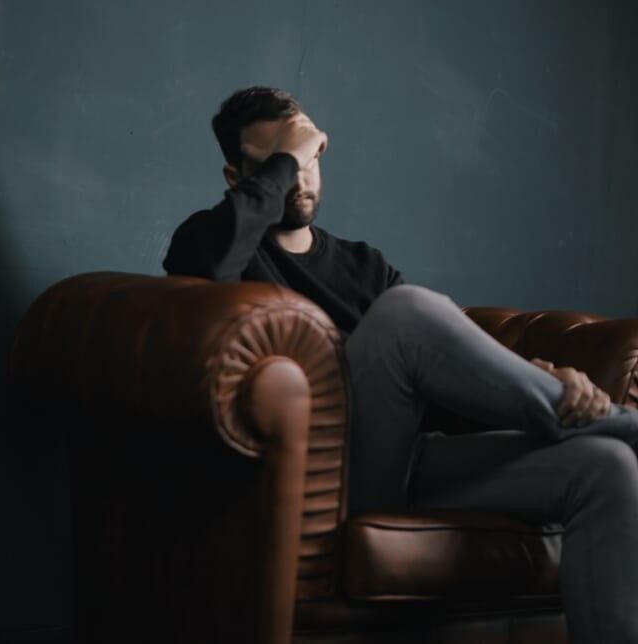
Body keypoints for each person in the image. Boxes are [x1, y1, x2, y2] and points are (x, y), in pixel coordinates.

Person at [163, 86, 638, 643]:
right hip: (327, 479)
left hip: (406, 463)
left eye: (310, 155)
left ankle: (596, 425)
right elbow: (200, 267)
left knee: (606, 466)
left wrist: (537, 377)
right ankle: (618, 422)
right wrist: (290, 156)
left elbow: (439, 386)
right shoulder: (213, 243)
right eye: (280, 161)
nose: (299, 176)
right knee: (405, 313)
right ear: (236, 177)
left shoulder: (364, 265)